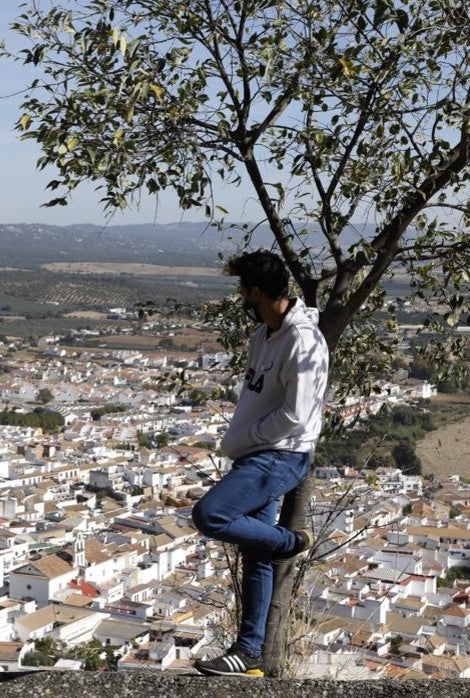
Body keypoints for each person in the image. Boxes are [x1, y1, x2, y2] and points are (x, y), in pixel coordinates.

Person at [191, 250, 330, 677]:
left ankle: (288, 542)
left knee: (209, 514)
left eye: (243, 291)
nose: (241, 299)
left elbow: (297, 415)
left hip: (279, 456)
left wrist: (242, 439)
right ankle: (249, 651)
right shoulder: (264, 336)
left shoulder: (303, 342)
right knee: (256, 554)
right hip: (259, 455)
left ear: (256, 292)